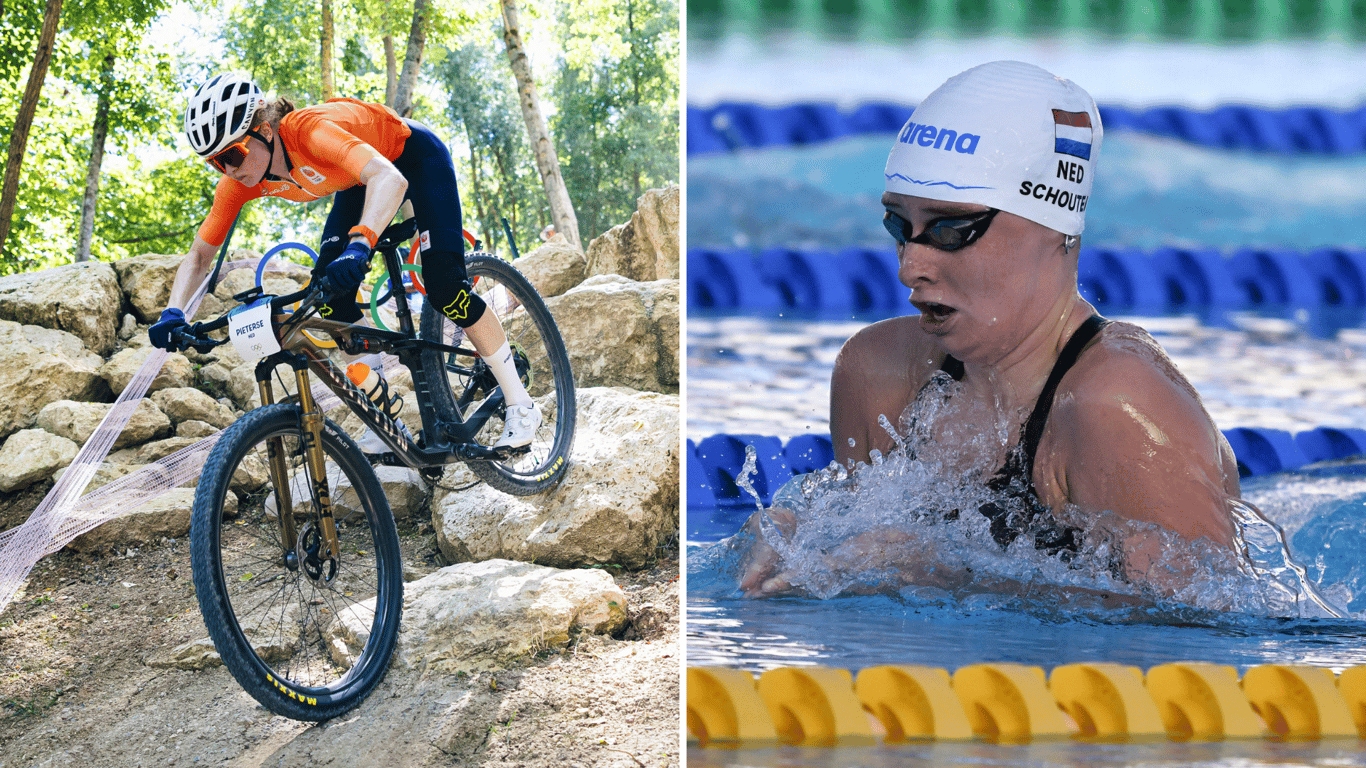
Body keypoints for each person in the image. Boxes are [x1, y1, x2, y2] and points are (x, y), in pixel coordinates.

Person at [738, 61, 1243, 597]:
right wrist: (802, 541)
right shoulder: (879, 373)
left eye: (951, 228)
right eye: (899, 227)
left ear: (1054, 226)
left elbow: (1207, 637)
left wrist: (955, 577)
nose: (910, 266)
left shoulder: (1119, 412)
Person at [149, 73, 540, 450]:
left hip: (412, 159)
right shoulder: (240, 181)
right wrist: (173, 313)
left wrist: (360, 244)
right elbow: (200, 255)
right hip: (358, 181)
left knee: (444, 286)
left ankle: (521, 404)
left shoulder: (308, 131)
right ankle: (384, 413)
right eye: (216, 163)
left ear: (265, 130)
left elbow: (390, 180)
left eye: (232, 154)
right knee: (330, 298)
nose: (229, 169)